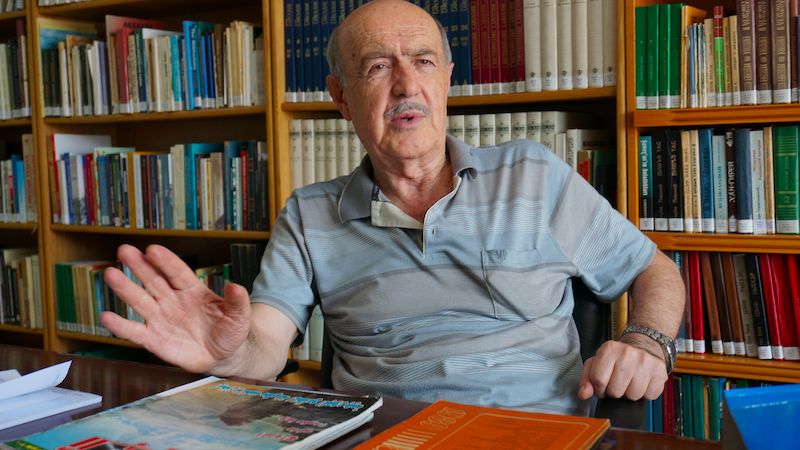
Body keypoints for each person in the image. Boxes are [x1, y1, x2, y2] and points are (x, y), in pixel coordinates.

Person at [101, 0, 684, 416]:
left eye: (423, 61)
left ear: (447, 81)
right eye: (378, 66)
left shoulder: (532, 174)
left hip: (534, 433)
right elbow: (265, 347)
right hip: (386, 438)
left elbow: (653, 269)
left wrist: (644, 342)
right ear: (340, 97)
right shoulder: (309, 215)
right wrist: (229, 356)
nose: (406, 84)